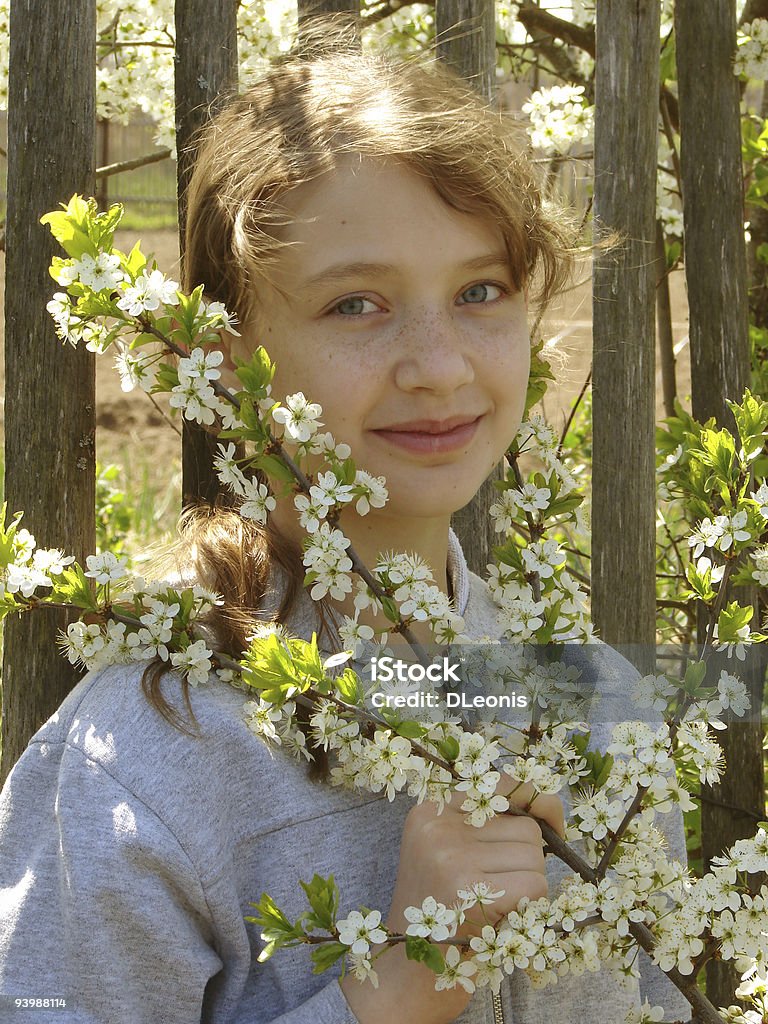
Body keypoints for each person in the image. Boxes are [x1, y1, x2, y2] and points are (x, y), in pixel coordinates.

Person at [0, 32, 690, 1024]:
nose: (439, 364)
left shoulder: (599, 705)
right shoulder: (149, 760)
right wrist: (393, 985)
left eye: (479, 291)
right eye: (355, 303)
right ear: (229, 358)